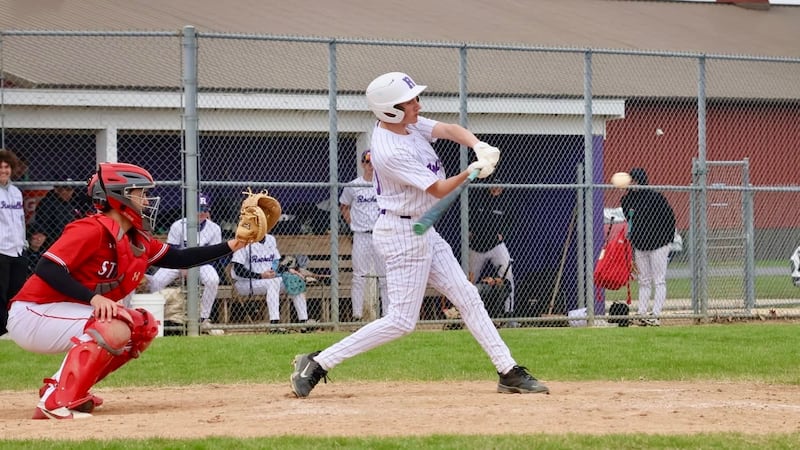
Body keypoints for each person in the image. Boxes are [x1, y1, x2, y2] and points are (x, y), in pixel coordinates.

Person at [290, 71, 549, 398]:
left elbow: (448, 129)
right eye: (408, 101)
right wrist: (470, 170)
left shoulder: (407, 124)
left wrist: (478, 145)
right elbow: (439, 189)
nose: (416, 104)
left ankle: (508, 371)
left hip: (422, 227)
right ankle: (318, 363)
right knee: (401, 321)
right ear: (390, 110)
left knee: (467, 296)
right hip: (402, 232)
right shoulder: (390, 149)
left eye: (414, 99)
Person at [5, 162, 248, 419]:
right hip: (34, 312)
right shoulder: (90, 229)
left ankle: (66, 389)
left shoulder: (135, 237)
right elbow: (47, 267)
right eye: (139, 193)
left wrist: (235, 244)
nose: (146, 200)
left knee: (143, 325)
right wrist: (93, 298)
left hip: (62, 314)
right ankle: (55, 402)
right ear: (119, 196)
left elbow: (179, 258)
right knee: (113, 323)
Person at [147, 193, 222, 331]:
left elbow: (215, 257)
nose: (201, 213)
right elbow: (172, 250)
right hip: (178, 262)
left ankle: (203, 318)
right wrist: (182, 266)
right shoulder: (178, 225)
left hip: (202, 264)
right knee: (157, 280)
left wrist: (194, 267)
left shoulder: (214, 228)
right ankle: (156, 314)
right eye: (198, 209)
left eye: (204, 210)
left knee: (213, 280)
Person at [620, 167, 676, 327]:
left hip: (659, 244)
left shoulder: (655, 198)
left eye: (636, 181)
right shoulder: (627, 200)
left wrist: (667, 240)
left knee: (659, 280)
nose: (634, 184)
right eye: (632, 181)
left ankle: (656, 314)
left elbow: (669, 218)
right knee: (643, 280)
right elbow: (630, 220)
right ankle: (642, 313)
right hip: (640, 244)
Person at [339, 149, 389, 320]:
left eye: (373, 162)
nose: (370, 166)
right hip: (361, 235)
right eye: (367, 162)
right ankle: (357, 314)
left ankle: (387, 314)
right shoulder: (353, 185)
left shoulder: (384, 184)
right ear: (362, 164)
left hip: (381, 235)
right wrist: (351, 223)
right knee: (359, 275)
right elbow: (344, 205)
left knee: (384, 276)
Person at [230, 234, 310, 330]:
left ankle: (304, 323)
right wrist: (260, 275)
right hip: (245, 283)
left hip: (269, 280)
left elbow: (276, 263)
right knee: (273, 283)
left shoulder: (270, 239)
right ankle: (274, 325)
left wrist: (288, 270)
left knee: (295, 280)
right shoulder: (243, 240)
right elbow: (238, 270)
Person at [468, 181, 516, 320]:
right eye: (493, 186)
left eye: (499, 186)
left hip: (496, 245)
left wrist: (503, 233)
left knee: (507, 276)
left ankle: (509, 313)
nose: (496, 189)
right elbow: (469, 216)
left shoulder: (506, 202)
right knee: (470, 280)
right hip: (476, 246)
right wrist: (470, 231)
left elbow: (511, 221)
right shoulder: (479, 198)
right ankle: (468, 312)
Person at [0, 149, 27, 338]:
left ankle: (12, 327)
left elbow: (21, 220)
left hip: (17, 249)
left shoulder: (16, 192)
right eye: (0, 167)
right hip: (1, 249)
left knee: (15, 291)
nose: (4, 170)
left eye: (6, 167)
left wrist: (23, 243)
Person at [32, 175, 92, 249]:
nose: (68, 192)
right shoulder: (48, 203)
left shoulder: (75, 202)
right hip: (55, 243)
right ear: (57, 190)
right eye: (65, 189)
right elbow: (42, 225)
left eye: (70, 189)